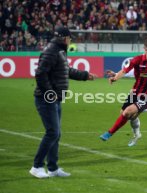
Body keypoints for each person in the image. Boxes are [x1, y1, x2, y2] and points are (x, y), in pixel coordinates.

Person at [30, 26, 96, 178]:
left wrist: (85, 75)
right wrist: (49, 93)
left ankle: (53, 168)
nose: (70, 40)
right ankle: (37, 166)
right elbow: (40, 74)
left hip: (55, 98)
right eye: (69, 37)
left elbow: (66, 71)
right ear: (64, 38)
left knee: (56, 134)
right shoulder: (52, 51)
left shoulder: (58, 50)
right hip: (46, 99)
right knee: (52, 132)